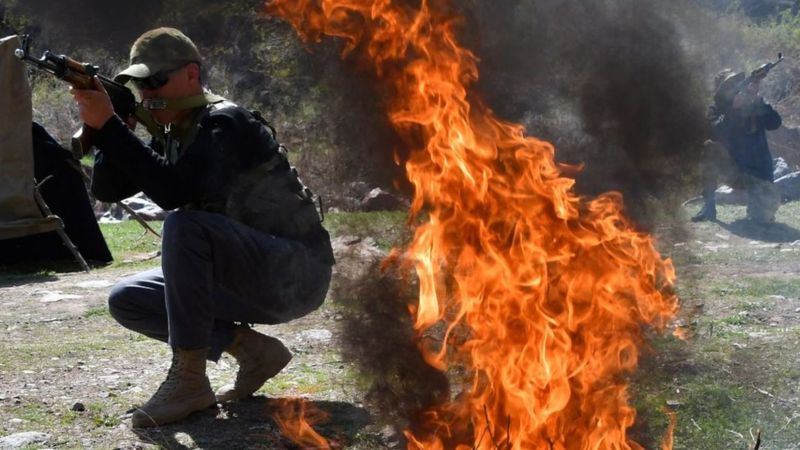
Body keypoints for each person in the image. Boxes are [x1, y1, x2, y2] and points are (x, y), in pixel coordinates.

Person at [70, 27, 335, 428]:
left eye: (156, 81)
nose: (148, 92)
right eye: (140, 85)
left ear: (191, 75)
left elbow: (174, 193)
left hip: (296, 275)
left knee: (185, 225)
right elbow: (107, 189)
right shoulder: (174, 133)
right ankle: (253, 351)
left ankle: (190, 381)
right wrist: (116, 126)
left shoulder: (225, 123)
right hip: (246, 281)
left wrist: (110, 127)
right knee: (129, 298)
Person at [692, 68, 782, 223]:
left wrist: (758, 101)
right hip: (734, 172)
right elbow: (715, 132)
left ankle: (759, 207)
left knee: (760, 219)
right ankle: (709, 207)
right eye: (729, 86)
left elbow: (775, 123)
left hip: (758, 174)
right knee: (710, 148)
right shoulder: (716, 109)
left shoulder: (753, 103)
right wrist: (733, 110)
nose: (734, 89)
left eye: (735, 84)